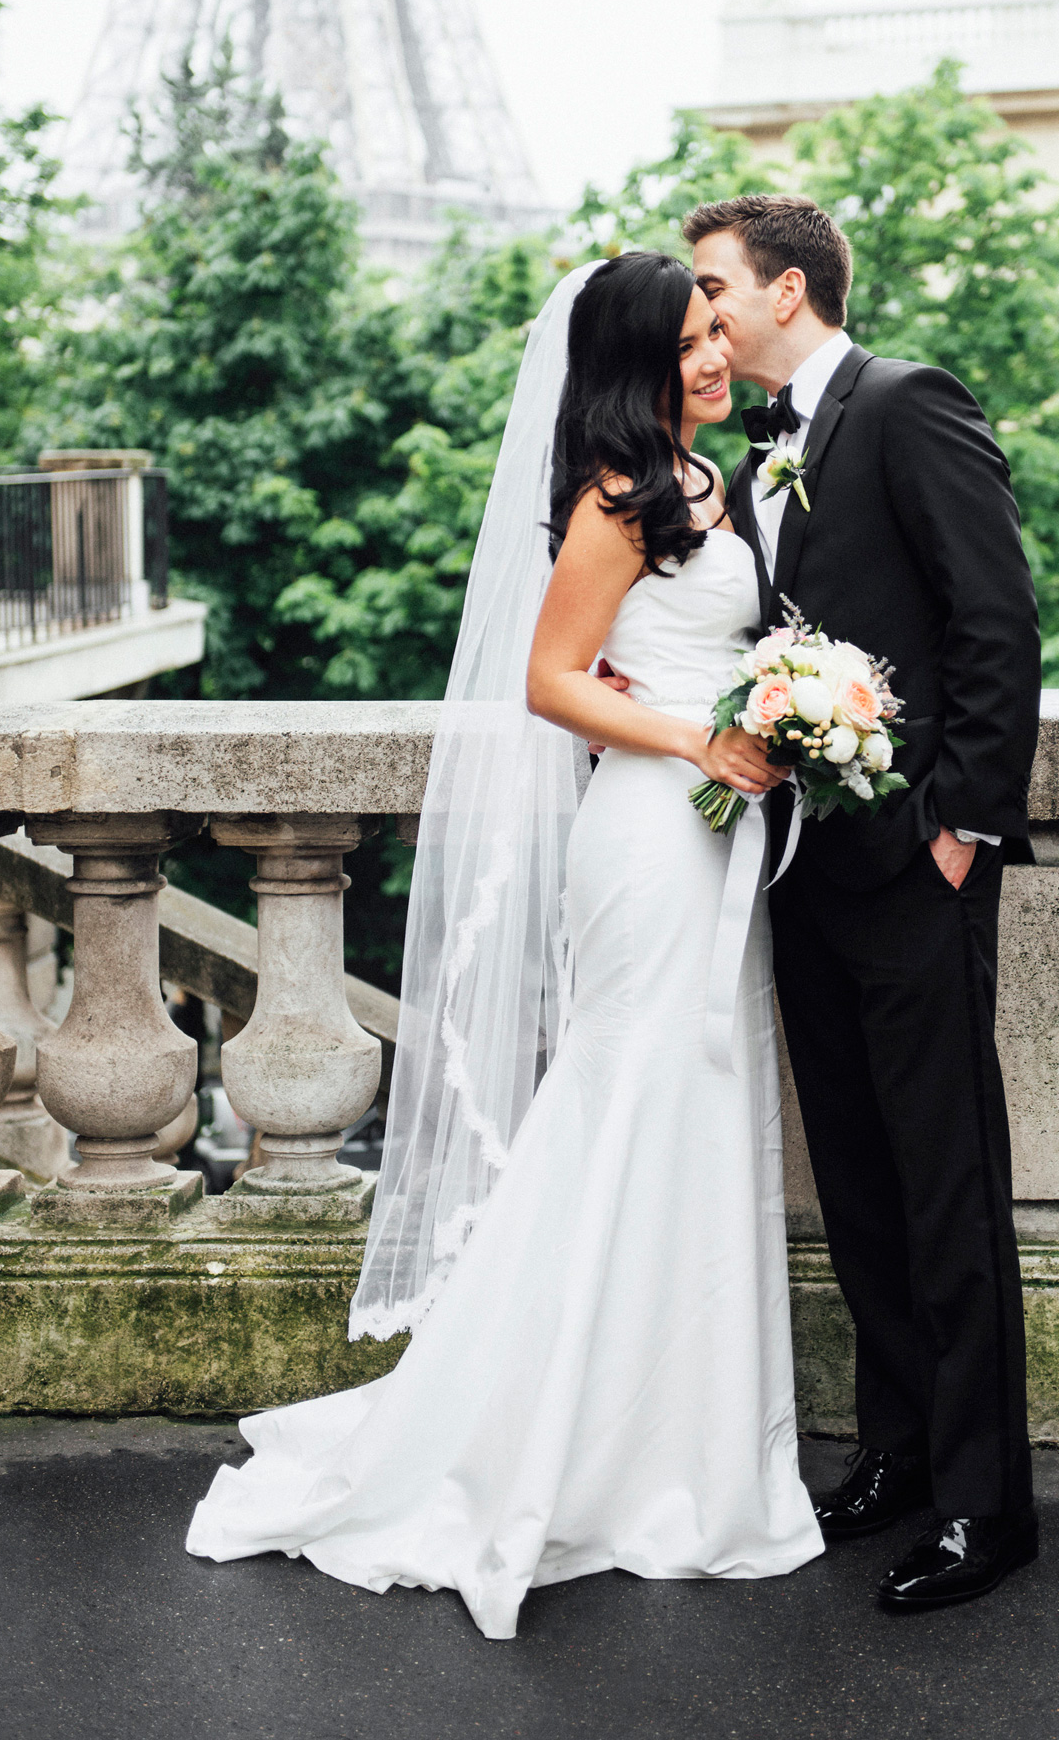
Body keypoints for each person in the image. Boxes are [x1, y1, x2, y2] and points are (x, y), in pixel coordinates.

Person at [185, 253, 824, 1639]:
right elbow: (548, 682)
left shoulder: (711, 489)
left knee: (701, 1117)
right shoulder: (612, 499)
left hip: (716, 837)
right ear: (632, 364)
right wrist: (698, 736)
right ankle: (557, 1444)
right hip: (651, 838)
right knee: (631, 1104)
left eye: (721, 331)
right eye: (692, 340)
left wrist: (784, 705)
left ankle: (688, 1447)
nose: (717, 356)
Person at [686, 193, 1042, 1611]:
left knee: (946, 1189)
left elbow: (993, 617)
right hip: (796, 870)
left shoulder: (906, 404)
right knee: (860, 1187)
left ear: (786, 289)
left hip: (911, 867)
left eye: (714, 287)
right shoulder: (752, 453)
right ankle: (895, 1454)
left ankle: (985, 1508)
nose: (700, 314)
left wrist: (960, 830)